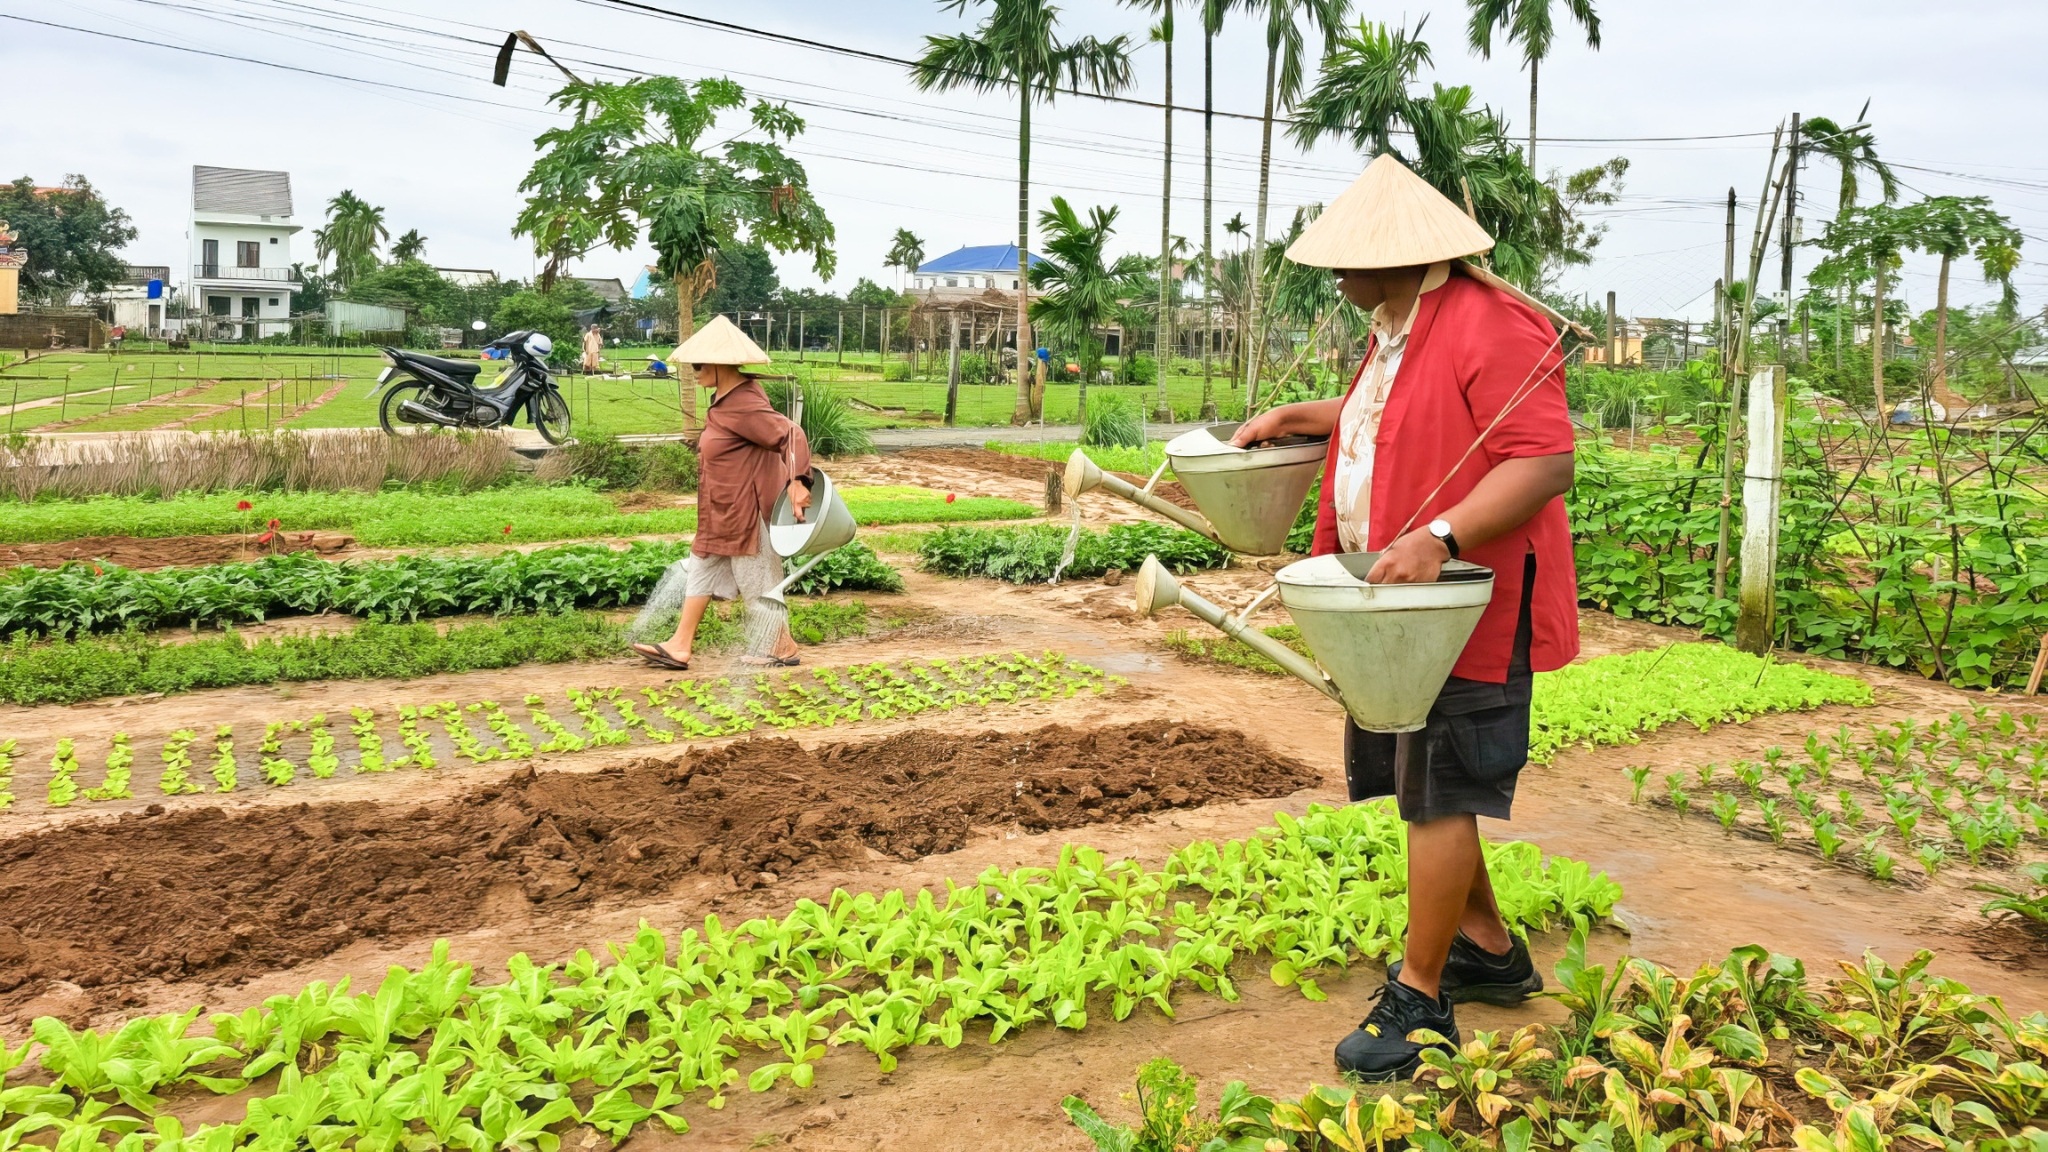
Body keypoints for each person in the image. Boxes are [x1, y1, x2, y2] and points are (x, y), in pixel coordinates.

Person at [1230, 155, 1580, 1082]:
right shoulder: (1396, 326)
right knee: (1424, 779)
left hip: (1465, 598)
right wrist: (1297, 419)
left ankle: (1422, 1000)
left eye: (1346, 263)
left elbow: (1542, 462)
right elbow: (1387, 418)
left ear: (1395, 255)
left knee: (1445, 791)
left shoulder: (1494, 323)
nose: (1336, 280)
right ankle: (1490, 953)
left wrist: (1440, 532)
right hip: (1402, 598)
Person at [631, 316, 812, 671]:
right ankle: (680, 645)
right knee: (700, 570)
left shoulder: (743, 403)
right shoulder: (723, 400)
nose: (694, 371)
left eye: (699, 365)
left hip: (744, 514)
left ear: (718, 364)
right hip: (719, 511)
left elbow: (791, 435)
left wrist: (797, 481)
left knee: (757, 583)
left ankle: (781, 645)